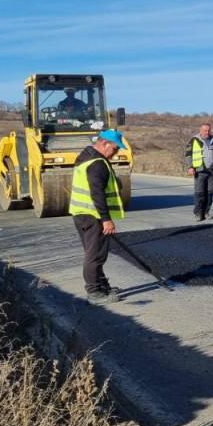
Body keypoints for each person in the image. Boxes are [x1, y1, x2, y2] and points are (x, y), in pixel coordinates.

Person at [70, 129, 128, 305]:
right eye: (115, 148)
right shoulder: (97, 164)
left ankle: (102, 286)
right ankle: (95, 292)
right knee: (95, 255)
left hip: (82, 214)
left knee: (94, 253)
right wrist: (106, 219)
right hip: (93, 215)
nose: (116, 152)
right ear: (104, 143)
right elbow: (97, 193)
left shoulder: (86, 158)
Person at [185, 123, 213, 221]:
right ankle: (198, 213)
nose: (207, 132)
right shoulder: (194, 140)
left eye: (208, 130)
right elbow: (188, 155)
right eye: (205, 130)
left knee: (209, 193)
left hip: (212, 171)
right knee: (200, 193)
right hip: (199, 170)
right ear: (200, 130)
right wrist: (190, 167)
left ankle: (206, 212)